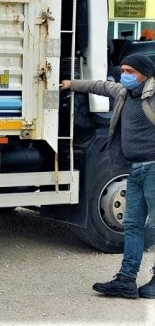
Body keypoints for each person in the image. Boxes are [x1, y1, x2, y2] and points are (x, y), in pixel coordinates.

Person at [61, 54, 155, 299]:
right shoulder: (125, 92)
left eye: (130, 71)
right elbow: (100, 86)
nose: (124, 75)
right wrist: (71, 84)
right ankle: (126, 280)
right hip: (135, 170)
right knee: (133, 226)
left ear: (144, 73)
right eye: (122, 70)